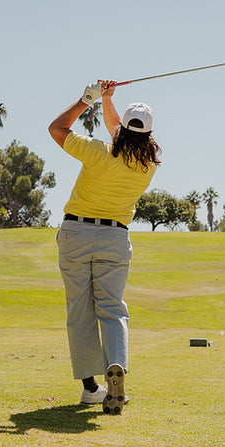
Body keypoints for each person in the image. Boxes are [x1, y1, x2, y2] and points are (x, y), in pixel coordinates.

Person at [48, 80, 160, 414]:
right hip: (115, 238)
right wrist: (108, 100)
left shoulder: (97, 151)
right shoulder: (148, 164)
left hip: (76, 233)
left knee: (79, 310)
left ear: (122, 128)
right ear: (149, 135)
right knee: (111, 308)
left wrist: (89, 99)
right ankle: (118, 368)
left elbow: (57, 128)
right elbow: (120, 131)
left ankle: (90, 388)